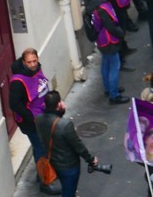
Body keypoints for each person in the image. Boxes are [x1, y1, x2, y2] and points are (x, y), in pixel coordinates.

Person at [35, 90, 101, 197]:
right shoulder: (65, 125)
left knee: (66, 188)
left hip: (52, 161)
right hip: (68, 166)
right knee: (69, 191)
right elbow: (78, 146)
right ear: (59, 105)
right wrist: (91, 159)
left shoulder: (38, 119)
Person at [8, 47, 53, 176]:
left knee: (40, 146)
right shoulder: (18, 82)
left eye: (34, 61)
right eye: (29, 62)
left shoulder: (37, 69)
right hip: (31, 122)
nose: (33, 64)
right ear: (23, 62)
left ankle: (42, 174)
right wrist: (31, 117)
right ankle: (45, 179)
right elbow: (14, 104)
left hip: (42, 116)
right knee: (41, 149)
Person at [83, 0, 125, 103]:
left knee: (106, 63)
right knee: (114, 66)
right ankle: (114, 94)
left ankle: (108, 88)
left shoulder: (93, 2)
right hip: (109, 40)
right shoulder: (102, 7)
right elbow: (110, 26)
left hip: (101, 40)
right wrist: (121, 33)